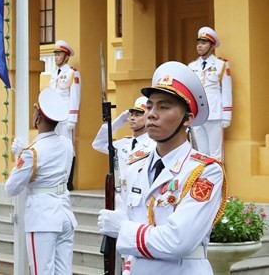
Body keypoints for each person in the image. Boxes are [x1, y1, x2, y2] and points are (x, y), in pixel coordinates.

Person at [97, 61, 227, 274]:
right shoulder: (134, 164)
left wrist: (122, 229)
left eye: (163, 107)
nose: (151, 114)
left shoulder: (204, 171)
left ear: (188, 119)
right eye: (150, 106)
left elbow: (178, 240)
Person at [5, 87, 77, 275]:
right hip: (64, 213)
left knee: (41, 271)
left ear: (37, 118)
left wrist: (20, 157)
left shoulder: (32, 151)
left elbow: (11, 187)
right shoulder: (67, 144)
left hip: (43, 216)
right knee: (63, 271)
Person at [188, 26, 232, 160]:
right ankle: (204, 180)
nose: (200, 46)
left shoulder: (221, 65)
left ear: (212, 46)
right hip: (197, 114)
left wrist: (227, 115)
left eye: (204, 43)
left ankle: (217, 180)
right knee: (201, 152)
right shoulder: (192, 66)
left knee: (216, 153)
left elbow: (226, 91)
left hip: (214, 113)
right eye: (198, 43)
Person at [91, 96, 155, 184]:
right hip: (121, 195)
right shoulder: (124, 143)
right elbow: (98, 144)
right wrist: (115, 124)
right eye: (131, 114)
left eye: (137, 115)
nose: (132, 118)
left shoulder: (153, 145)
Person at [49, 39, 81, 190]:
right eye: (55, 54)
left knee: (69, 148)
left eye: (59, 54)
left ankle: (68, 181)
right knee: (56, 146)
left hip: (66, 117)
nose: (56, 57)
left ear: (66, 57)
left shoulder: (72, 73)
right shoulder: (54, 74)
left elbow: (75, 97)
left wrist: (72, 119)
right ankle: (58, 178)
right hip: (53, 117)